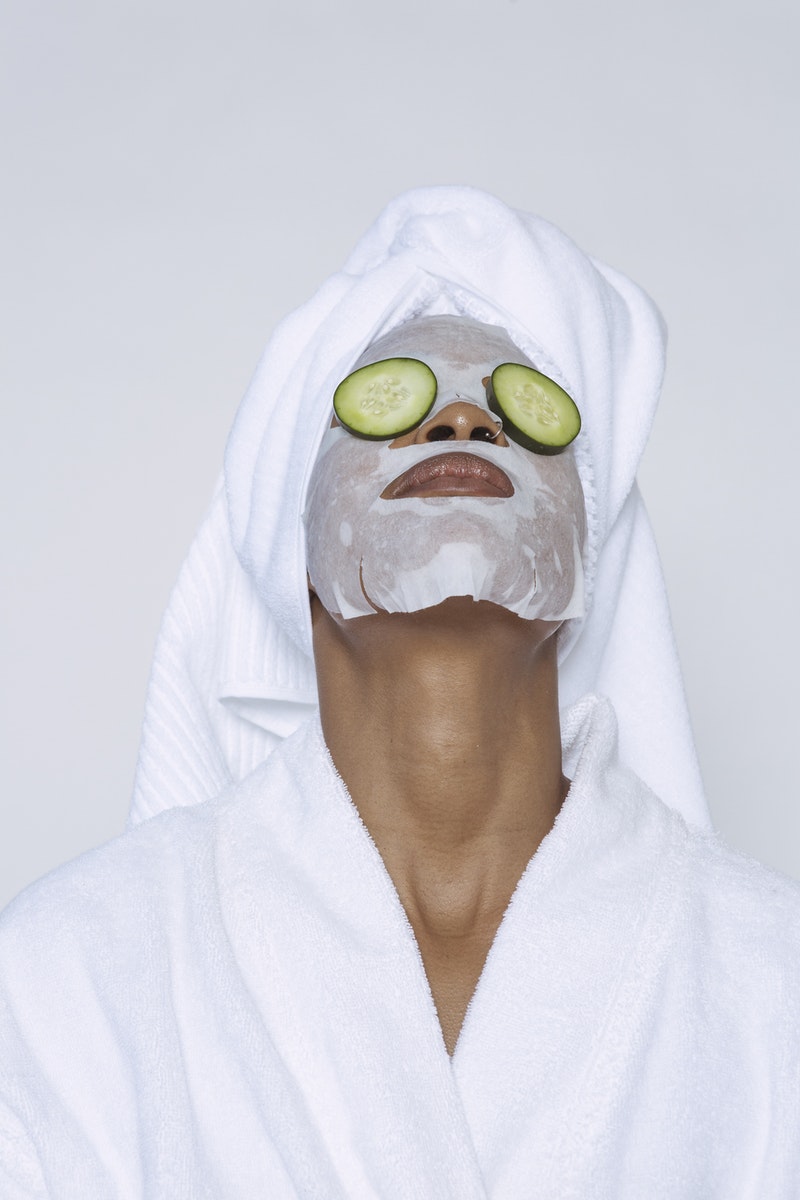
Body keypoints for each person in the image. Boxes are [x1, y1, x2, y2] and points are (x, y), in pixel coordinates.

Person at [1, 187, 798, 1198]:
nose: (462, 415)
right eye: (394, 400)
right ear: (294, 554)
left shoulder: (771, 983)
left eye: (518, 405)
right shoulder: (67, 980)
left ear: (585, 555)